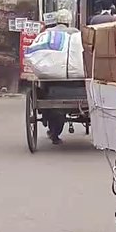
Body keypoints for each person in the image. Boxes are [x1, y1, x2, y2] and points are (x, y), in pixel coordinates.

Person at [38, 9, 81, 144]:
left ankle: (53, 132)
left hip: (52, 80)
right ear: (69, 21)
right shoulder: (76, 33)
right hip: (76, 80)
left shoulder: (47, 33)